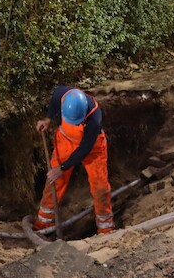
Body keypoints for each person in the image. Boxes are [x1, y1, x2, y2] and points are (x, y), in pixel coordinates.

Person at [33, 87, 115, 235]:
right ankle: (43, 224)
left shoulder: (94, 118)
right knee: (54, 181)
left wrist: (62, 167)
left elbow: (84, 150)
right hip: (65, 141)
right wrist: (48, 119)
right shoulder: (62, 94)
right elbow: (54, 101)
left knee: (100, 187)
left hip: (92, 148)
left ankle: (105, 229)